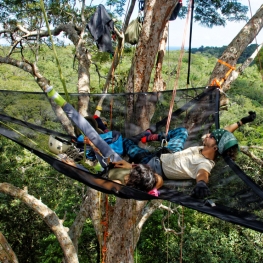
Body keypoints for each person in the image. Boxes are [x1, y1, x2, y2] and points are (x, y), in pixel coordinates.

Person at [44, 85, 163, 195]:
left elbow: (93, 180)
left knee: (79, 166)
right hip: (114, 161)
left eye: (130, 176)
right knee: (92, 135)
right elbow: (159, 180)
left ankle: (77, 158)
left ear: (132, 183)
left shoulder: (118, 185)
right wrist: (130, 167)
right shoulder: (146, 178)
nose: (129, 174)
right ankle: (61, 101)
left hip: (104, 172)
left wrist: (74, 167)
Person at [123, 111, 257, 199]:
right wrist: (242, 122)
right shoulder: (208, 147)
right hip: (171, 152)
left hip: (153, 165)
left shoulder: (205, 164)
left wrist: (202, 185)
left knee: (127, 143)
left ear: (215, 147)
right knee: (182, 131)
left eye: (211, 136)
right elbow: (225, 132)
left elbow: (202, 175)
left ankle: (133, 144)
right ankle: (152, 137)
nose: (209, 134)